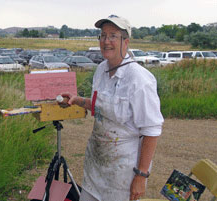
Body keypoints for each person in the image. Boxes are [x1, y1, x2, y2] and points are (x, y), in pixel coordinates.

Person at [62, 15, 164, 201]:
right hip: (96, 166)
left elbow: (152, 130)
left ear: (126, 42)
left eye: (113, 36)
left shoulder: (139, 79)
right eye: (103, 36)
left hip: (122, 173)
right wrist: (77, 100)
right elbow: (100, 104)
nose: (106, 41)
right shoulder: (101, 70)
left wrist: (141, 176)